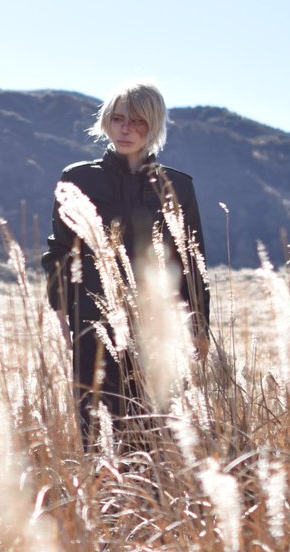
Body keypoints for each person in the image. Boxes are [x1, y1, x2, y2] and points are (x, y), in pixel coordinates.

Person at [42, 82, 209, 453]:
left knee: (155, 423)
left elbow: (193, 263)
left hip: (157, 323)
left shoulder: (177, 186)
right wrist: (61, 311)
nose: (125, 129)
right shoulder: (78, 178)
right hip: (92, 321)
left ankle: (151, 503)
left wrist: (199, 326)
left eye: (137, 122)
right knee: (96, 424)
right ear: (106, 122)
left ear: (154, 126)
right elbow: (59, 251)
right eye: (117, 119)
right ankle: (105, 505)